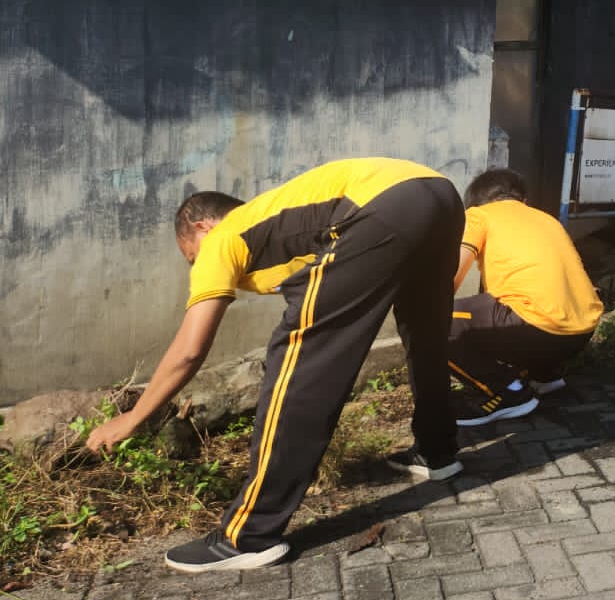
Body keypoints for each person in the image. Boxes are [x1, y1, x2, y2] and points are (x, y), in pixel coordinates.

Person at [86, 158, 463, 573]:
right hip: (439, 193)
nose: (196, 266)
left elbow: (190, 350)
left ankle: (249, 535)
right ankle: (437, 452)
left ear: (201, 226)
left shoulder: (223, 237)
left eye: (191, 258)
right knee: (425, 334)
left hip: (384, 204)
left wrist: (134, 418)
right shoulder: (280, 221)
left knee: (299, 358)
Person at [448, 169, 603, 427]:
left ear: (475, 203)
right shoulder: (548, 219)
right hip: (582, 332)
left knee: (434, 321)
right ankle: (544, 375)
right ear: (523, 200)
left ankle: (509, 392)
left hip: (538, 329)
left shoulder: (478, 215)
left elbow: (449, 276)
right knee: (506, 307)